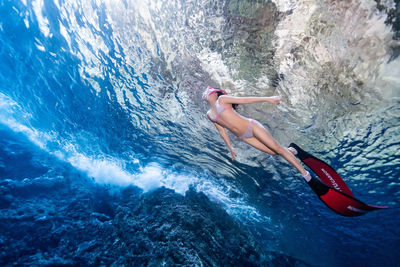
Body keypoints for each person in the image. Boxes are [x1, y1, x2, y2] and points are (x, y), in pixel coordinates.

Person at [202, 86, 311, 181]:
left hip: (252, 127)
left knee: (278, 149)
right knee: (273, 152)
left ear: (215, 94)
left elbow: (245, 100)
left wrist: (268, 99)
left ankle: (305, 174)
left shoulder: (222, 100)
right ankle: (291, 151)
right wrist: (231, 147)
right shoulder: (209, 114)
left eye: (208, 92)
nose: (205, 93)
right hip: (244, 137)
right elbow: (221, 130)